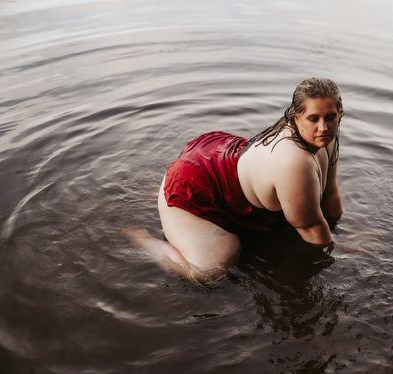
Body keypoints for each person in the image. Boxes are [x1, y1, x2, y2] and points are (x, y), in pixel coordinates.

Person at [124, 77, 344, 283]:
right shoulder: (293, 160)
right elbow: (312, 228)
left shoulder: (326, 138)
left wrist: (341, 231)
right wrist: (341, 254)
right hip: (194, 183)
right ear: (296, 118)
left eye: (330, 117)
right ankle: (144, 237)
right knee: (208, 273)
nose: (323, 127)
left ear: (339, 115)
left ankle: (166, 200)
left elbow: (330, 194)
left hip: (219, 161)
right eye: (313, 118)